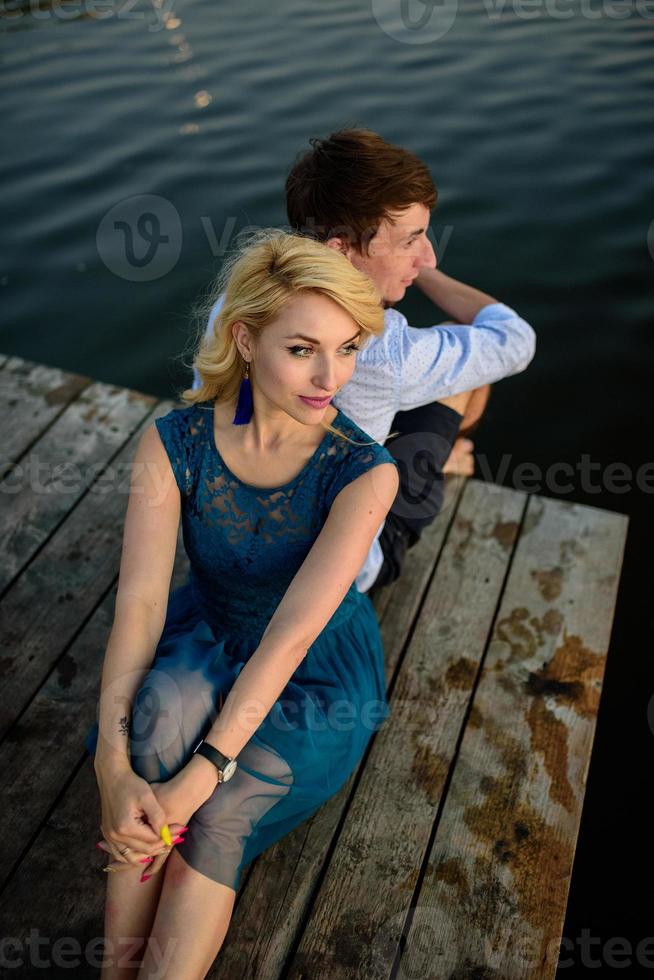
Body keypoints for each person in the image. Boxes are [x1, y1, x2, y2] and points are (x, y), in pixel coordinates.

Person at [85, 231, 400, 978]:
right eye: (303, 350)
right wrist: (109, 764)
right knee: (153, 736)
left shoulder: (363, 472)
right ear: (246, 339)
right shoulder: (175, 442)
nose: (333, 376)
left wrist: (202, 777)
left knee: (217, 811)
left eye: (349, 347)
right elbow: (137, 609)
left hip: (314, 674)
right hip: (213, 633)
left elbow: (289, 642)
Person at [195, 128, 536, 592]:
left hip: (241, 535)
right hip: (347, 570)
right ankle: (449, 458)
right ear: (341, 250)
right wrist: (429, 276)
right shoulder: (383, 346)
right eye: (412, 240)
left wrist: (407, 261)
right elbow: (514, 340)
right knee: (465, 362)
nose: (428, 254)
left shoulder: (239, 301)